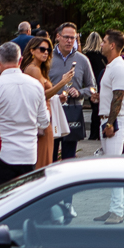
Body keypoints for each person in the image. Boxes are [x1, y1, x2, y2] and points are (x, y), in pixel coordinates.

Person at [0, 42, 50, 189]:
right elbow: (44, 121)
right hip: (29, 154)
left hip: (2, 154)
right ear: (20, 60)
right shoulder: (36, 86)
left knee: (1, 198)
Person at [95, 30, 124, 224]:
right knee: (111, 166)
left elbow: (119, 97)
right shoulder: (112, 66)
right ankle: (113, 209)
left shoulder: (118, 67)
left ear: (112, 45)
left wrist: (110, 123)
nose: (101, 44)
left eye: (103, 41)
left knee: (114, 167)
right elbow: (113, 96)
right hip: (110, 119)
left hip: (116, 121)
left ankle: (117, 210)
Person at [22, 36, 73, 168]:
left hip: (44, 118)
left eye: (48, 50)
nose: (46, 52)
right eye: (42, 49)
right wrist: (62, 82)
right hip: (42, 121)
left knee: (45, 160)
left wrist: (57, 97)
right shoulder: (33, 69)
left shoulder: (38, 69)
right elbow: (41, 96)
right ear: (32, 50)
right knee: (43, 163)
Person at [50, 22, 95, 160]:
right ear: (58, 37)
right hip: (52, 111)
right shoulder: (48, 58)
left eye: (72, 38)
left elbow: (93, 87)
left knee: (69, 158)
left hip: (72, 112)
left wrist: (80, 92)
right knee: (50, 156)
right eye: (66, 37)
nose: (69, 41)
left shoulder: (82, 60)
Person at [81, 31, 108, 140]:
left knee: (94, 109)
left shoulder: (85, 56)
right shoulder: (102, 56)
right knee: (100, 109)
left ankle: (93, 133)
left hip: (90, 84)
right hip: (101, 82)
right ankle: (99, 132)